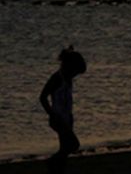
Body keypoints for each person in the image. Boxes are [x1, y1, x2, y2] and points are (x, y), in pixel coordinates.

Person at [40, 46, 87, 174]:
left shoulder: (68, 79)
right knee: (73, 145)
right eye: (75, 72)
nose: (75, 75)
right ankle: (52, 161)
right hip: (58, 119)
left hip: (66, 119)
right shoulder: (56, 78)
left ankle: (56, 169)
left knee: (65, 149)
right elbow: (42, 97)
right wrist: (52, 114)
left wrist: (70, 117)